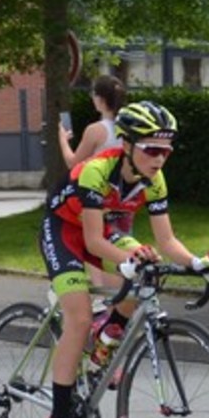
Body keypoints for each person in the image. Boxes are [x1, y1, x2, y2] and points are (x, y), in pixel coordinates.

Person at [39, 100, 209, 418]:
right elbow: (92, 242)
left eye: (166, 151)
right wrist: (126, 260)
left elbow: (167, 241)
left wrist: (198, 263)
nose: (160, 159)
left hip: (103, 229)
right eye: (152, 149)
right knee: (78, 318)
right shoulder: (97, 171)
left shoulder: (154, 180)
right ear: (126, 145)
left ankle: (106, 339)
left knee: (149, 266)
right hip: (65, 231)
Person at [59, 75, 126, 289]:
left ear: (100, 99)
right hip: (123, 193)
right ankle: (124, 290)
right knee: (122, 244)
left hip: (96, 194)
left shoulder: (96, 130)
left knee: (94, 243)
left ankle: (100, 290)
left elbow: (73, 163)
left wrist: (63, 140)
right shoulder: (128, 128)